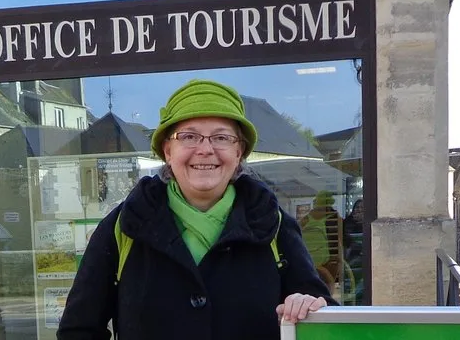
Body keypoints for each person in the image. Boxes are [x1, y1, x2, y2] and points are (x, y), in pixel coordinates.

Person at [57, 79, 336, 340]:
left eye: (221, 138)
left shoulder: (273, 224)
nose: (205, 149)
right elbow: (78, 330)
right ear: (168, 151)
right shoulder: (124, 226)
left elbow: (327, 320)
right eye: (189, 136)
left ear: (239, 152)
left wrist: (310, 306)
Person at [299, 190, 343, 291]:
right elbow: (340, 242)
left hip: (308, 261)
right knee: (328, 289)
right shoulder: (335, 218)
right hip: (325, 262)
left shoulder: (306, 219)